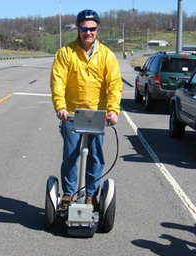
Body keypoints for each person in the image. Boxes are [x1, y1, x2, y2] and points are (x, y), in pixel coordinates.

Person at [50, 9, 122, 211]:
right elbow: (58, 83)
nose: (88, 32)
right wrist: (61, 107)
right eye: (84, 28)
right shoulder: (66, 53)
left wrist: (113, 111)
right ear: (78, 29)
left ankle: (91, 194)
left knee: (96, 156)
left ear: (97, 29)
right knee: (71, 155)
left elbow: (114, 85)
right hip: (72, 114)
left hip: (97, 116)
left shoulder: (106, 55)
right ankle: (68, 194)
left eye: (92, 28)